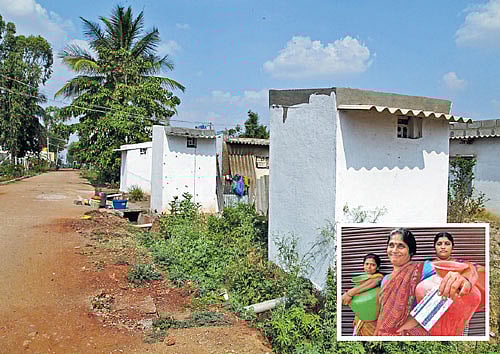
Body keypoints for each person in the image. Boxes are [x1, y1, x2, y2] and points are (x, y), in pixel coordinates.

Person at [374, 228, 478, 336]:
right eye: (391, 245)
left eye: (401, 246)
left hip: (408, 334)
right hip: (382, 334)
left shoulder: (423, 268)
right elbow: (383, 312)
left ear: (411, 251)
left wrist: (465, 280)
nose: (394, 250)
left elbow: (469, 268)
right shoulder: (385, 280)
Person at [342, 253, 383, 336]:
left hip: (373, 320)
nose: (369, 267)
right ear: (363, 265)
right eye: (367, 264)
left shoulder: (379, 278)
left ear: (377, 267)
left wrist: (349, 294)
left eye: (373, 265)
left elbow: (373, 282)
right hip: (360, 319)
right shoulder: (361, 280)